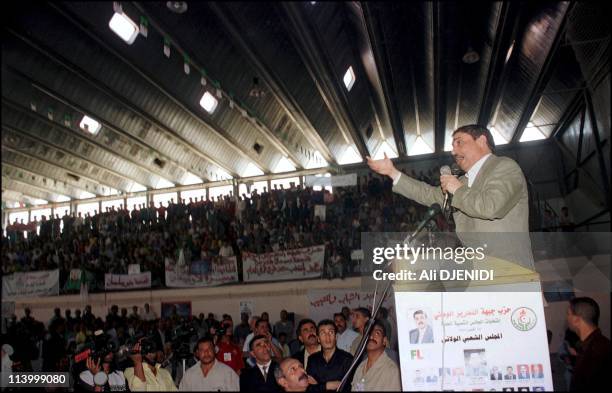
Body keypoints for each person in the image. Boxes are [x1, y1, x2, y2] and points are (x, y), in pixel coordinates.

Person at [367, 124, 534, 268]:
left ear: (482, 141)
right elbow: (427, 194)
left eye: (459, 142)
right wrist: (392, 172)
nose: (453, 151)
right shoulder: (462, 182)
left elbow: (491, 206)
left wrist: (457, 189)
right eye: (453, 146)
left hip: (510, 270)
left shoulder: (504, 167)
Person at [566, 297, 610, 390]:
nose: (567, 318)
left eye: (568, 314)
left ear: (576, 320)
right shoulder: (590, 345)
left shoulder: (597, 351)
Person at [350, 320, 401, 391]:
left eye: (377, 333)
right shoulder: (360, 367)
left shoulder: (392, 370)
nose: (371, 336)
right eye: (368, 333)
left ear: (384, 341)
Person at [306, 319, 352, 392]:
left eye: (331, 332)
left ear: (336, 336)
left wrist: (318, 386)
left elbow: (350, 387)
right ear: (318, 339)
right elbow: (308, 388)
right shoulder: (312, 359)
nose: (327, 337)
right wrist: (327, 385)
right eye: (323, 333)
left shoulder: (347, 359)